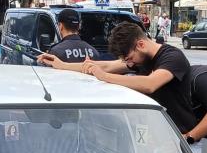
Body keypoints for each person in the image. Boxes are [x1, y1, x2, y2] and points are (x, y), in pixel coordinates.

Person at [39, 22, 196, 134]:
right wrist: (61, 65)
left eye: (128, 58)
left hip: (181, 137)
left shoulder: (172, 57)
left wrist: (105, 77)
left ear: (140, 44)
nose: (128, 63)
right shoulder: (140, 58)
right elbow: (103, 66)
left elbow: (150, 84)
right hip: (158, 134)